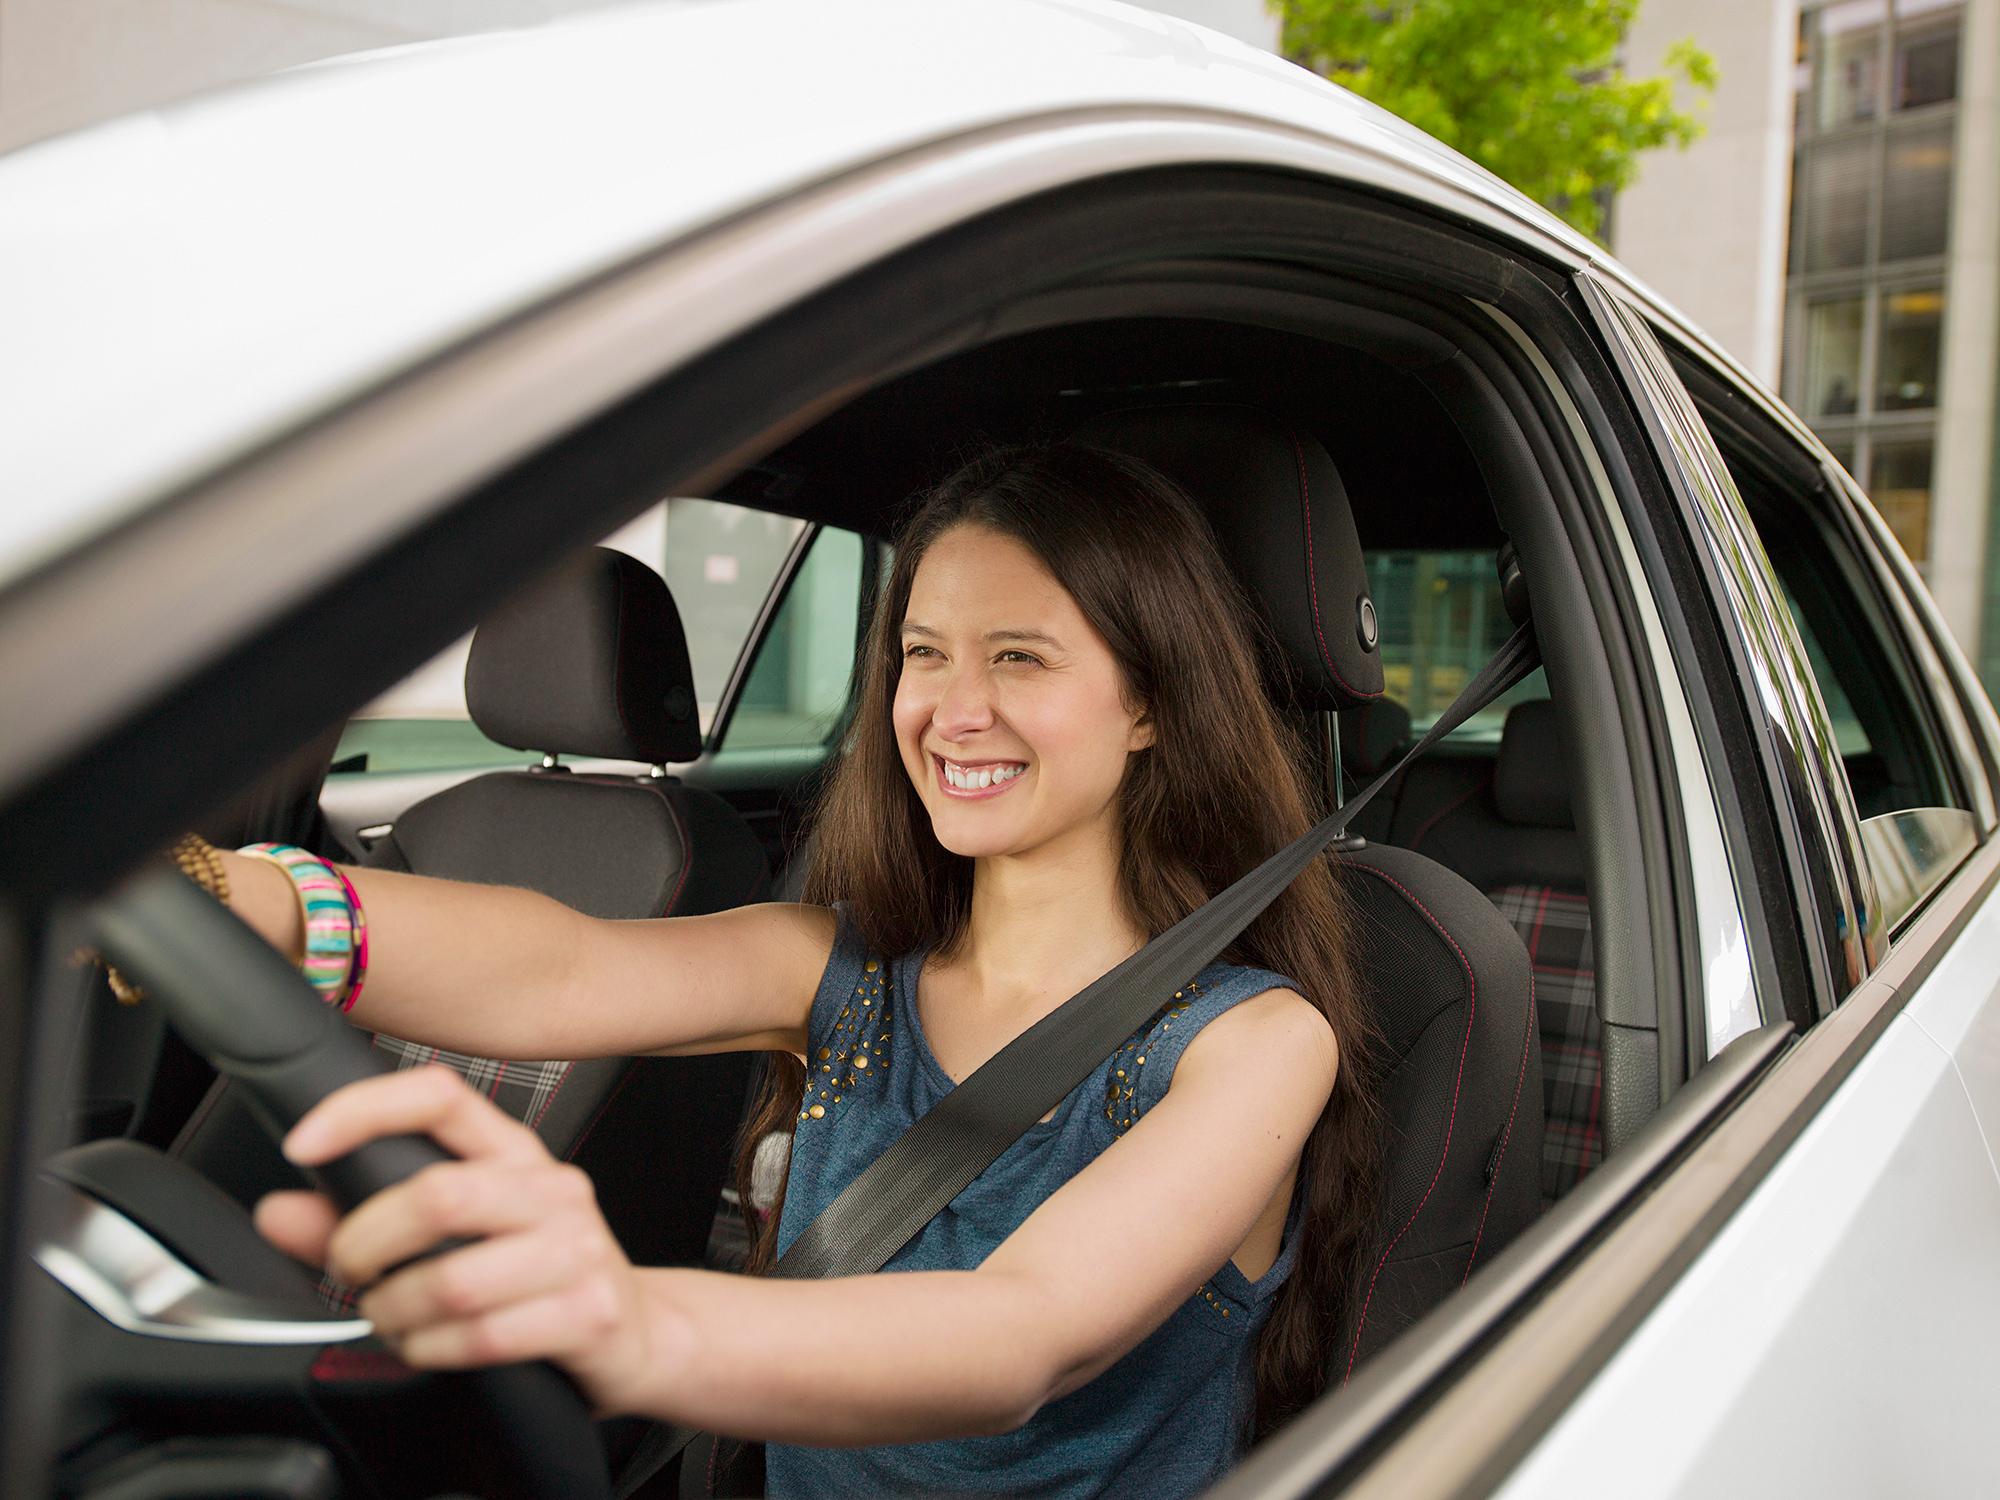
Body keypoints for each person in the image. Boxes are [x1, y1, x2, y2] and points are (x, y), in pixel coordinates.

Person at [216, 442, 1379, 1497]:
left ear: (1148, 707)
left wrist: (624, 1323)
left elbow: (1021, 1335)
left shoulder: (1250, 1044)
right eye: (924, 654)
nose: (952, 709)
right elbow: (559, 973)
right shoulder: (840, 970)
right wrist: (250, 900)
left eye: (1018, 658)